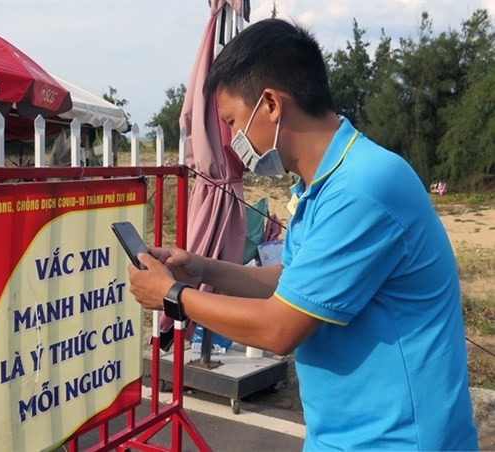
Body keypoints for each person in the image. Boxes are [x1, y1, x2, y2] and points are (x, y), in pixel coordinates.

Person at [127, 19, 478, 450]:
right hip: (342, 436)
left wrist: (172, 297)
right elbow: (293, 284)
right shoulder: (320, 186)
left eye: (234, 122)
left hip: (399, 440)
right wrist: (200, 267)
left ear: (271, 104)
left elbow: (280, 328)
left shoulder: (364, 187)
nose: (234, 140)